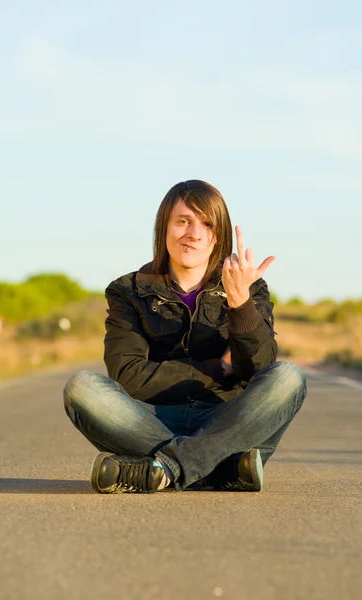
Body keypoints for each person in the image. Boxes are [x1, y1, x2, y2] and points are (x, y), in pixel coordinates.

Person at [63, 179, 307, 494]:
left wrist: (240, 305)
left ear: (217, 236)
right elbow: (129, 377)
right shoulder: (128, 291)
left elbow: (258, 370)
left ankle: (165, 468)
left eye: (206, 224)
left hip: (228, 419)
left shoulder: (250, 288)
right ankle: (222, 470)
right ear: (164, 227)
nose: (194, 233)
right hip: (152, 420)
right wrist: (218, 368)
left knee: (288, 377)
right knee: (82, 388)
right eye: (183, 221)